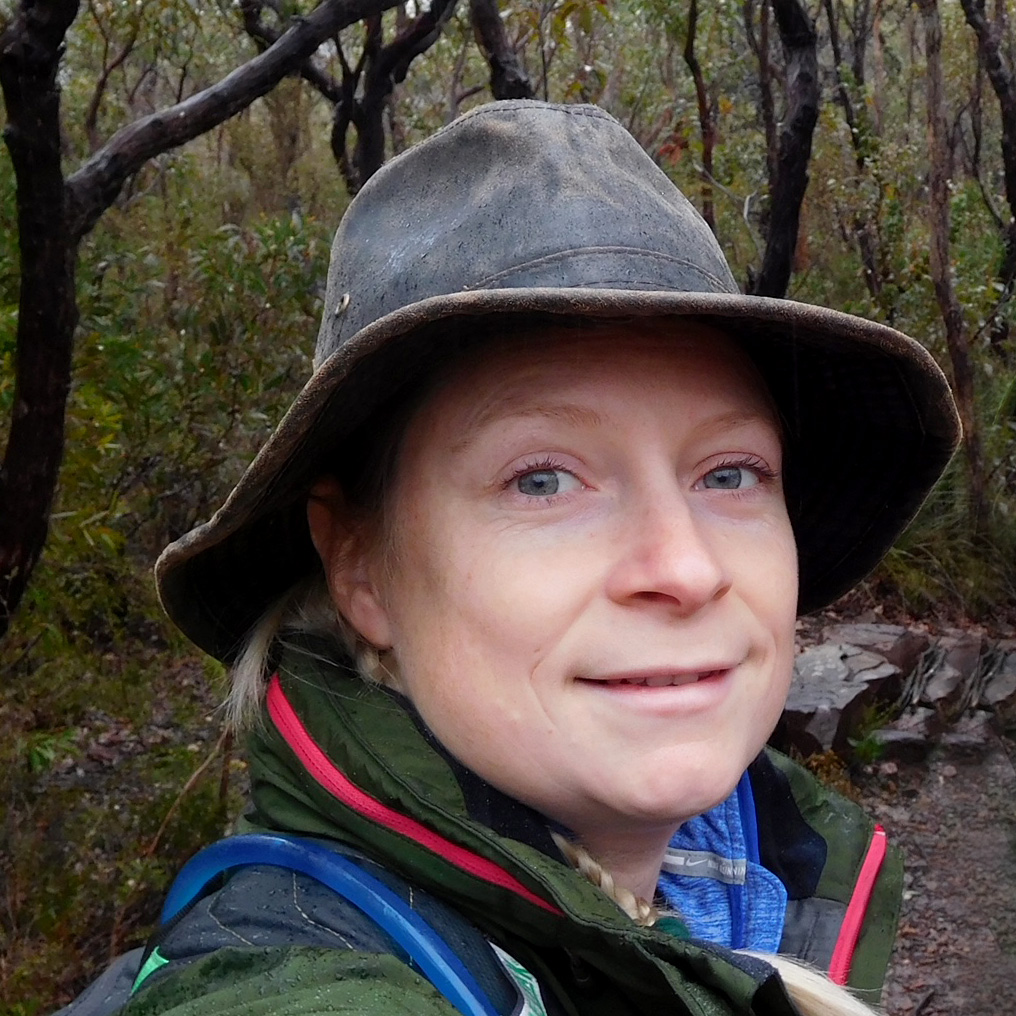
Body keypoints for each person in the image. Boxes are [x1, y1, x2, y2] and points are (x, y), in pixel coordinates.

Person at [60, 101, 960, 1016]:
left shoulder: (747, 887)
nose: (687, 569)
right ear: (360, 567)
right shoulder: (289, 983)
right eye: (542, 481)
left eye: (730, 472)